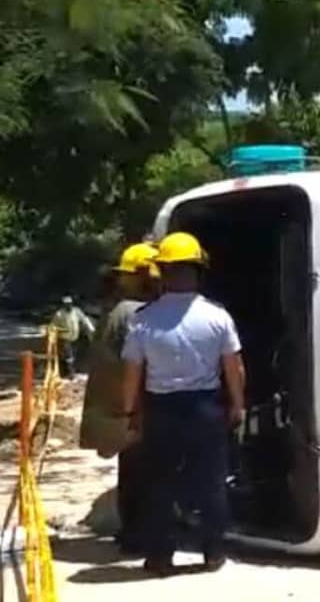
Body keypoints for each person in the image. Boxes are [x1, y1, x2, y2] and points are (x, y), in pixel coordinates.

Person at [121, 232, 245, 576]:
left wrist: (131, 411)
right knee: (210, 482)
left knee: (159, 485)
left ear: (163, 271)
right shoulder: (217, 316)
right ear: (198, 270)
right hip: (205, 408)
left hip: (161, 411)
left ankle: (160, 556)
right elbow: (233, 367)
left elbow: (133, 372)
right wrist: (237, 404)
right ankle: (213, 552)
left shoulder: (143, 320)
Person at [80, 243, 161, 554]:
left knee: (131, 472)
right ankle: (142, 536)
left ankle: (131, 532)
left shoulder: (118, 310)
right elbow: (140, 366)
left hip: (121, 411)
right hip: (137, 409)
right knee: (146, 474)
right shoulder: (135, 313)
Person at [51, 295, 96, 378]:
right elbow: (53, 326)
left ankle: (73, 370)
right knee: (69, 356)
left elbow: (84, 320)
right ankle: (71, 373)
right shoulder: (59, 314)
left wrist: (90, 328)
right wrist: (58, 331)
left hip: (75, 337)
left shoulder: (76, 311)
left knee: (74, 355)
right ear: (63, 304)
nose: (68, 305)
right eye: (66, 304)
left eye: (70, 303)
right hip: (65, 338)